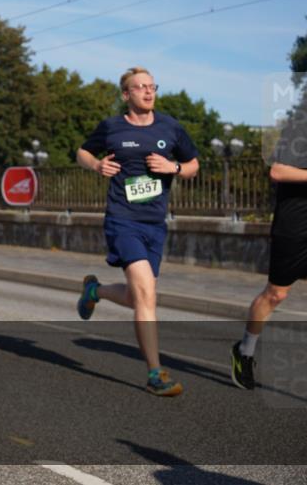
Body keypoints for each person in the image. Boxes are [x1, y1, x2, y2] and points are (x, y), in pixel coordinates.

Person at [75, 66, 199, 396]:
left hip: (155, 224)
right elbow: (83, 152)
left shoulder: (170, 127)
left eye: (151, 86)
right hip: (122, 219)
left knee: (137, 297)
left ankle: (94, 291)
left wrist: (172, 167)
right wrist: (97, 165)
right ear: (126, 95)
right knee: (146, 295)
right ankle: (155, 373)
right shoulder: (112, 127)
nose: (148, 91)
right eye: (139, 87)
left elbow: (193, 165)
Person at [230, 95, 307, 403]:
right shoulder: (302, 127)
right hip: (296, 227)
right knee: (276, 294)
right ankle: (245, 350)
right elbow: (278, 171)